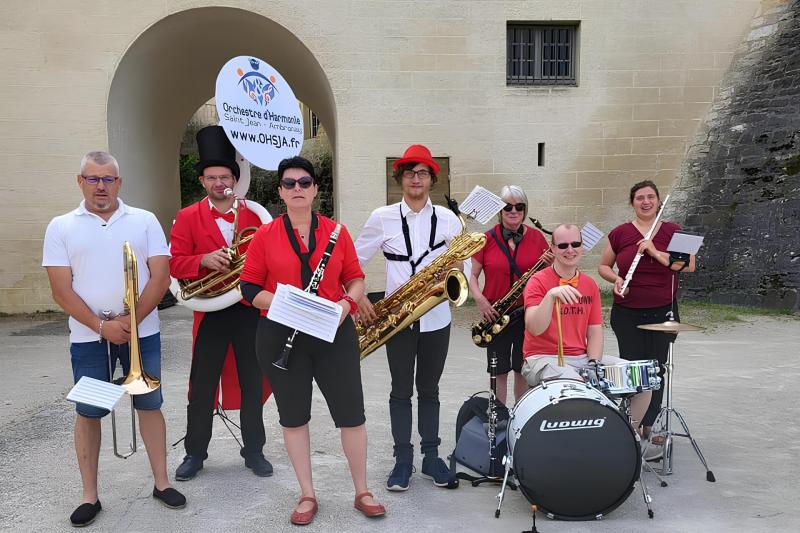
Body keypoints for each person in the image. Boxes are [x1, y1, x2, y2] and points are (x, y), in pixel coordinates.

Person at [239, 156, 385, 525]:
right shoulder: (265, 235)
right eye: (289, 184)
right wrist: (288, 305)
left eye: (305, 182)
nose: (297, 189)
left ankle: (362, 490)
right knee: (293, 417)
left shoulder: (337, 232)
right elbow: (249, 286)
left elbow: (355, 277)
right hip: (280, 335)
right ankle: (307, 494)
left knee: (351, 415)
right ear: (280, 192)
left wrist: (346, 304)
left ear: (316, 189)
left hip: (332, 332)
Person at [43, 151, 186, 527]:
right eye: (92, 179)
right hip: (90, 338)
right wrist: (100, 325)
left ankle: (162, 482)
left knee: (149, 404)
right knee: (88, 412)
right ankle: (90, 496)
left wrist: (132, 320)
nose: (101, 186)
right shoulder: (61, 226)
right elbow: (61, 289)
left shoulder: (144, 220)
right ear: (80, 182)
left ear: (119, 182)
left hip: (143, 334)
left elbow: (160, 276)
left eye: (108, 179)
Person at [355, 144, 463, 491]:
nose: (416, 179)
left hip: (437, 318)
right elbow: (352, 261)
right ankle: (403, 460)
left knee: (429, 391)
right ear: (400, 178)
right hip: (397, 321)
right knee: (400, 392)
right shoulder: (382, 216)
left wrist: (455, 267)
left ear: (432, 178)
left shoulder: (448, 219)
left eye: (423, 173)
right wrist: (358, 299)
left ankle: (431, 459)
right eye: (409, 173)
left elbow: (464, 267)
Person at [169, 126, 273, 481]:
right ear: (202, 181)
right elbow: (173, 263)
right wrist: (202, 260)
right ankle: (195, 453)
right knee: (202, 385)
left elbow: (269, 261)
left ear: (234, 178)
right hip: (210, 312)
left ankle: (254, 450)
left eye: (224, 176)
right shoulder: (186, 218)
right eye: (211, 177)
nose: (218, 183)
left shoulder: (255, 216)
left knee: (252, 382)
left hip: (248, 311)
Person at [521, 224, 651, 429]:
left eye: (575, 244)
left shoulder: (589, 284)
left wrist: (593, 363)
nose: (570, 250)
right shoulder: (538, 282)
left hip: (581, 359)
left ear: (582, 247)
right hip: (541, 358)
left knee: (642, 380)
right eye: (563, 245)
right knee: (577, 386)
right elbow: (534, 327)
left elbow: (595, 330)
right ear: (552, 249)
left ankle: (623, 438)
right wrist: (550, 296)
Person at [598, 180, 696, 449]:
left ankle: (650, 425)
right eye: (640, 197)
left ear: (658, 201)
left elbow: (687, 266)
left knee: (656, 369)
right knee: (632, 371)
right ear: (633, 202)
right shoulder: (620, 233)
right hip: (627, 312)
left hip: (662, 311)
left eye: (650, 197)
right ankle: (632, 424)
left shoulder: (675, 230)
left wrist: (653, 249)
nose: (645, 201)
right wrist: (615, 279)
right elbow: (603, 266)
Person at [469, 185, 552, 406]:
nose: (513, 211)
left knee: (522, 369)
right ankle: (499, 418)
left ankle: (519, 417)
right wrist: (481, 300)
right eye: (507, 207)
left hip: (528, 313)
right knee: (498, 370)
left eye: (519, 206)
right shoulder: (485, 239)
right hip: (495, 314)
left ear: (525, 210)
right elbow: (471, 277)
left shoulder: (537, 238)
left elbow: (548, 277)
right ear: (499, 210)